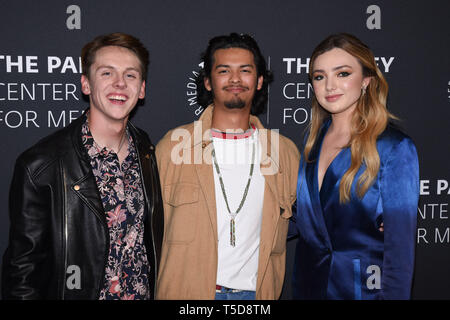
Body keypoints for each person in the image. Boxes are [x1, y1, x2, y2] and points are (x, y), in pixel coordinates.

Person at [2, 33, 164, 300]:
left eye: (130, 75)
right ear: (86, 84)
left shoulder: (146, 150)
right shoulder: (41, 166)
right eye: (107, 73)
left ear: (142, 88)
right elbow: (22, 271)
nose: (120, 83)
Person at [156, 33, 300, 300]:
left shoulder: (284, 153)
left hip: (256, 295)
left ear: (259, 81)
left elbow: (313, 219)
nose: (235, 79)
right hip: (188, 294)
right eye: (224, 71)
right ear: (208, 82)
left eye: (245, 70)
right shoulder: (174, 146)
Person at [291, 33, 419, 300]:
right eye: (319, 76)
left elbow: (400, 253)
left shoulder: (393, 148)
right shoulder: (313, 142)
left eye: (343, 73)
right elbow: (310, 223)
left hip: (363, 292)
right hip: (308, 287)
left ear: (366, 80)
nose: (329, 86)